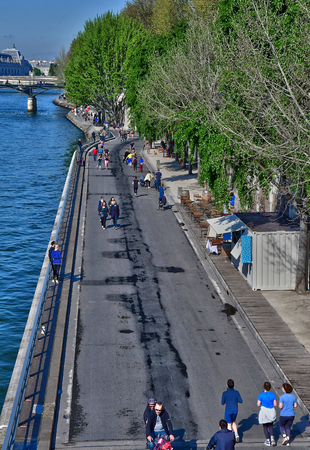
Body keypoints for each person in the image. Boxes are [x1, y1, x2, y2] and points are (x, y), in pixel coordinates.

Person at [257, 382, 277, 446]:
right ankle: (272, 438)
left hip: (264, 411)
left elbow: (258, 404)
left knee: (265, 426)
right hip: (271, 411)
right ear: (270, 388)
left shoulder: (261, 395)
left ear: (263, 387)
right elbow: (275, 404)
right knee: (271, 425)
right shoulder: (273, 395)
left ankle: (268, 440)